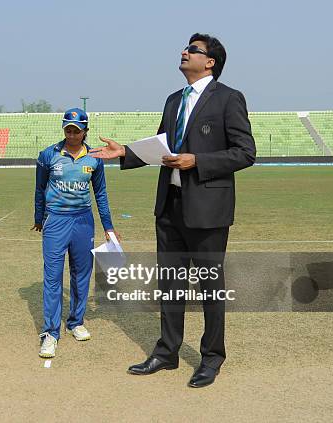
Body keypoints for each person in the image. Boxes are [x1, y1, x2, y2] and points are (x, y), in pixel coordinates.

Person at [91, 33, 256, 387]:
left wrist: (198, 160)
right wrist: (126, 153)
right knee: (170, 285)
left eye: (192, 50)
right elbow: (161, 148)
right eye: (185, 48)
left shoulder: (229, 99)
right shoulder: (172, 101)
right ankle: (166, 352)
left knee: (210, 287)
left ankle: (212, 358)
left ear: (210, 62)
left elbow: (245, 152)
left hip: (208, 209)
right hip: (170, 206)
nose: (184, 52)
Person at [32, 107, 119, 358]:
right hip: (56, 221)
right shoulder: (49, 154)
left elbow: (100, 194)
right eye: (68, 130)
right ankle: (50, 333)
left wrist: (108, 227)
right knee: (52, 276)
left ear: (85, 131)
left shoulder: (95, 158)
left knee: (82, 273)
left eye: (76, 131)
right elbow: (39, 189)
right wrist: (39, 218)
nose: (72, 135)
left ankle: (76, 322)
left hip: (82, 221)